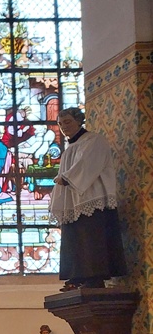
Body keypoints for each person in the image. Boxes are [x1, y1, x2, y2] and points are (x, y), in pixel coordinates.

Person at [50, 107, 127, 290]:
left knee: (91, 238)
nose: (64, 127)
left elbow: (87, 165)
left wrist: (67, 178)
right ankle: (77, 276)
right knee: (75, 237)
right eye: (60, 124)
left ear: (79, 121)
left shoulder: (94, 141)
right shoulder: (69, 148)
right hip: (74, 201)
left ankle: (94, 277)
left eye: (68, 122)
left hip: (92, 198)